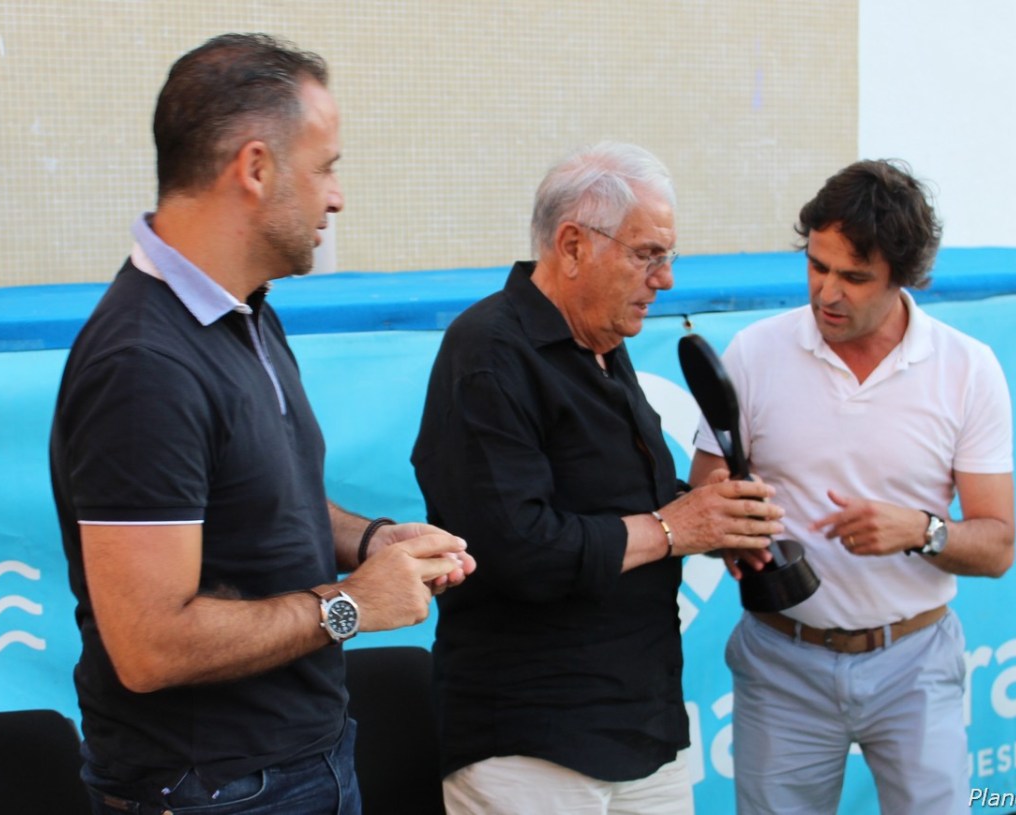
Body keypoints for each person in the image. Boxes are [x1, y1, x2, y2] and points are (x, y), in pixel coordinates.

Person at [49, 33, 474, 815]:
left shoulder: (245, 314)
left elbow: (270, 504)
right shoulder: (143, 364)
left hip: (301, 762)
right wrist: (352, 603)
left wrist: (374, 542)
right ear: (254, 168)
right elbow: (149, 646)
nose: (336, 196)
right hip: (213, 790)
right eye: (326, 166)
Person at [411, 141, 786, 814]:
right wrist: (674, 527)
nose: (665, 278)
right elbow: (516, 548)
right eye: (647, 254)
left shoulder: (603, 344)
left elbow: (615, 505)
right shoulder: (489, 351)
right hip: (530, 743)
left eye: (669, 256)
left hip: (644, 726)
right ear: (573, 246)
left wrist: (713, 520)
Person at [689, 159, 1016, 814]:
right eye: (817, 266)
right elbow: (705, 500)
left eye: (855, 277)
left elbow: (998, 546)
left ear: (903, 276)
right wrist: (733, 531)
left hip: (916, 662)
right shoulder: (754, 351)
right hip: (782, 660)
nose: (827, 293)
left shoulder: (968, 368)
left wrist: (919, 531)